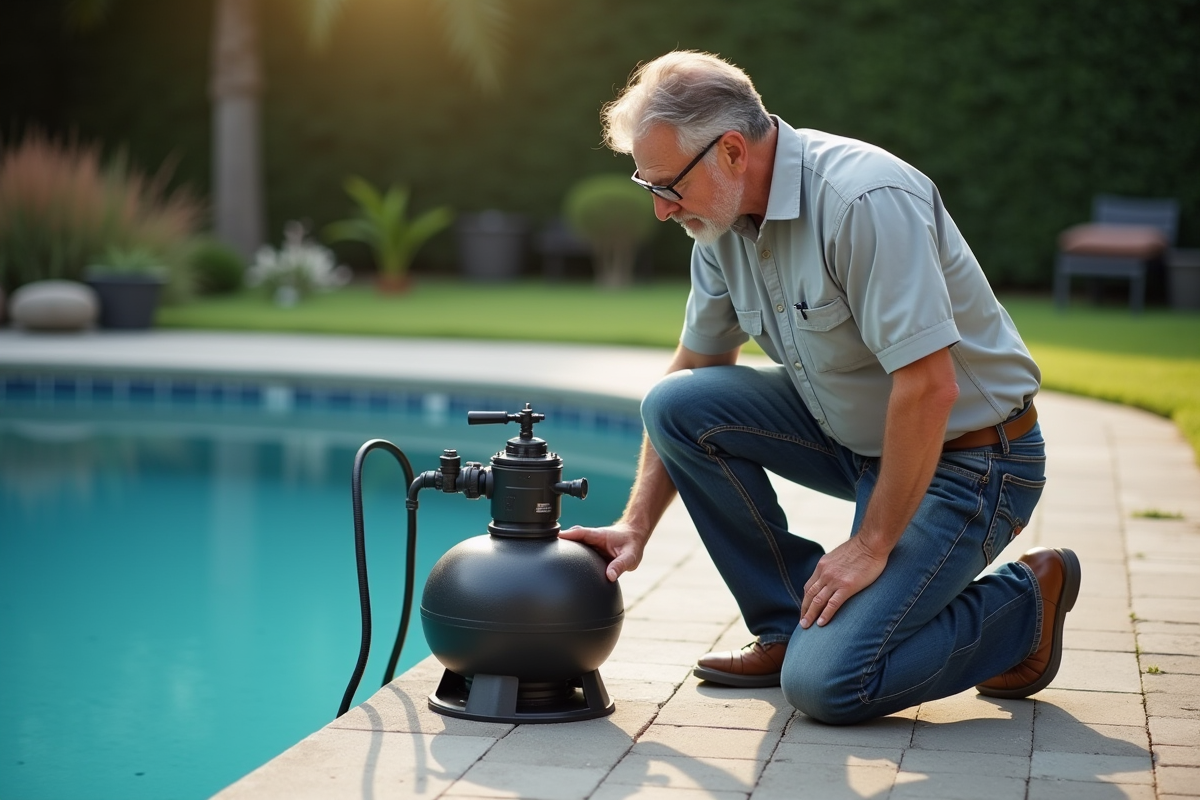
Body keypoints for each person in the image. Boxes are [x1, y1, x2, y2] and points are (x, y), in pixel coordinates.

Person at [559, 51, 1082, 725]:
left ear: (731, 151)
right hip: (852, 437)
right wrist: (635, 525)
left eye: (666, 186)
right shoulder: (717, 225)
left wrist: (869, 546)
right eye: (647, 186)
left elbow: (929, 389)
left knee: (829, 685)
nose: (660, 210)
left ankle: (1025, 606)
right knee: (677, 404)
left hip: (973, 461)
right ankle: (787, 624)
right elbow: (694, 370)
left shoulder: (864, 200)